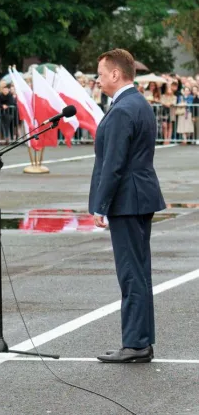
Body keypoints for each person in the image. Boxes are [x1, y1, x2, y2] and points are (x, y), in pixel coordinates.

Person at [91, 48, 166, 363]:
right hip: (139, 196)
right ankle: (140, 340)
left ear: (115, 74)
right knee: (139, 271)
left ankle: (135, 343)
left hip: (127, 199)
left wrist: (100, 204)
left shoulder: (123, 109)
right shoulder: (137, 102)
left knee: (131, 273)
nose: (97, 79)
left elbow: (114, 163)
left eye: (100, 73)